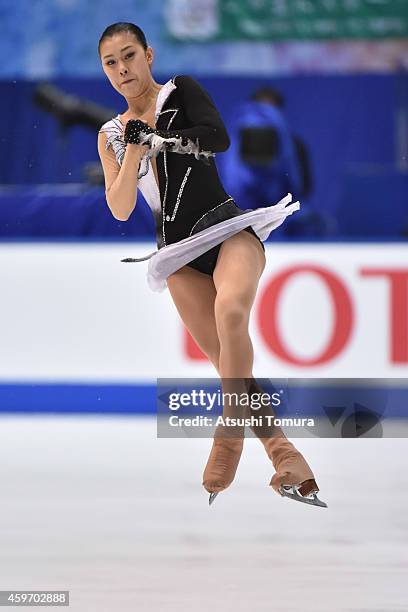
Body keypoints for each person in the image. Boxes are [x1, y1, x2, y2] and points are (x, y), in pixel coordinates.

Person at [97, 22, 327, 508]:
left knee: (232, 316)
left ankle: (228, 437)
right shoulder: (111, 135)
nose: (122, 69)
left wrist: (160, 136)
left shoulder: (182, 92)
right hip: (178, 256)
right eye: (111, 62)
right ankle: (285, 455)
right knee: (228, 364)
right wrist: (135, 144)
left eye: (129, 56)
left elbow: (217, 138)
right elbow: (119, 208)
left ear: (148, 55)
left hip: (226, 231)